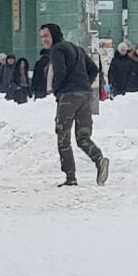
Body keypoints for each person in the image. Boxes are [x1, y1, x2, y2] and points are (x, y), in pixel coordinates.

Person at [42, 23, 109, 187]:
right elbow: (93, 69)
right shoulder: (77, 49)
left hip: (68, 97)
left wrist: (58, 90)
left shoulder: (57, 50)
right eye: (42, 37)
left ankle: (70, 177)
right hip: (86, 96)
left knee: (63, 137)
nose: (44, 39)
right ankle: (99, 159)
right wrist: (84, 83)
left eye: (46, 36)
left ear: (55, 35)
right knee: (83, 137)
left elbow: (60, 72)